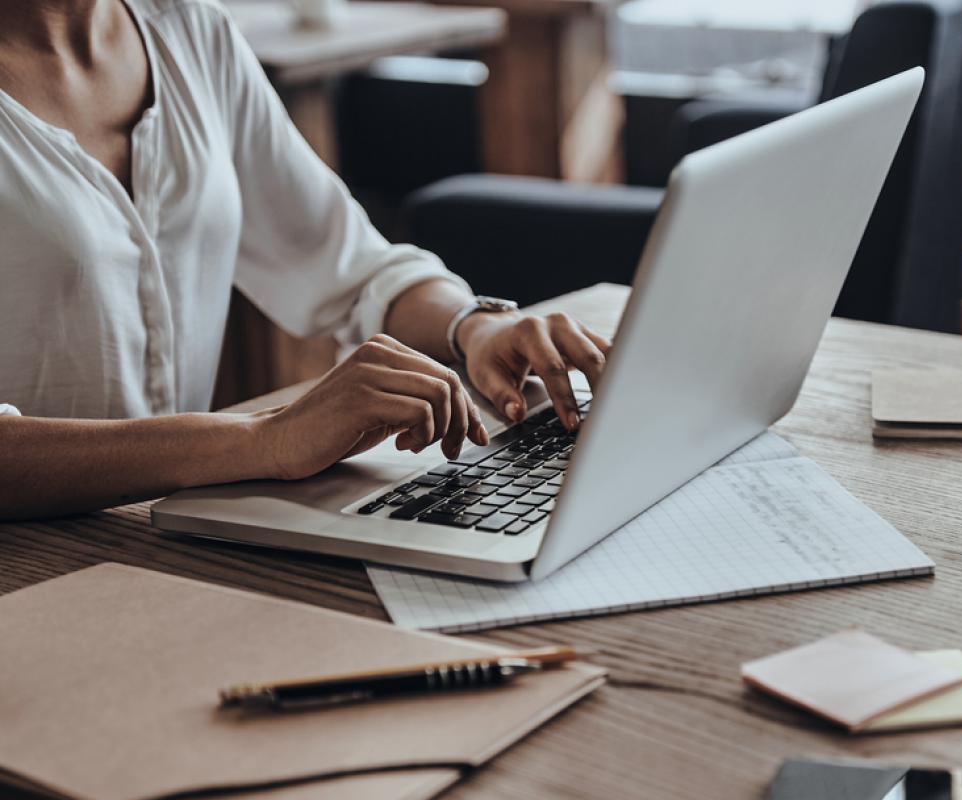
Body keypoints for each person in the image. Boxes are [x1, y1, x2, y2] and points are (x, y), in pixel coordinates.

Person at [0, 0, 610, 520]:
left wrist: (475, 326)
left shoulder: (187, 28)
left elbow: (348, 264)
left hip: (163, 533)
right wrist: (265, 439)